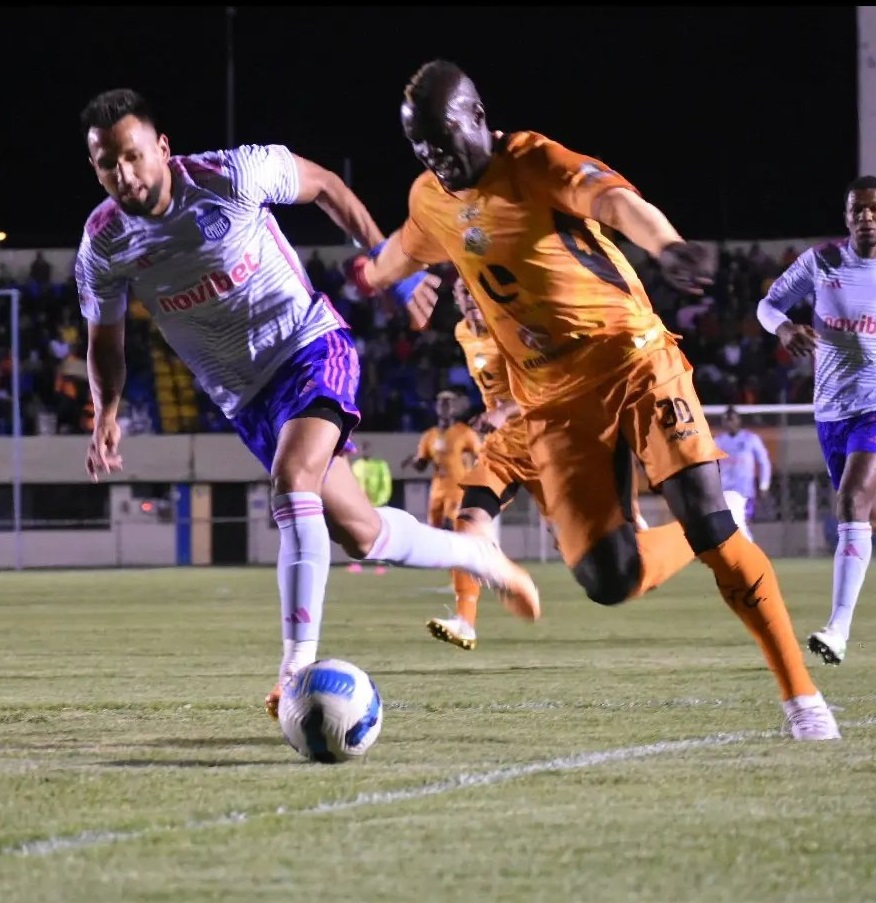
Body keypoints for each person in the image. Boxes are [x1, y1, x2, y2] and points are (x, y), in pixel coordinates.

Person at [348, 59, 839, 739]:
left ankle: (802, 699)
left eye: (440, 134)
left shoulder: (531, 159)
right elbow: (399, 252)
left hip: (631, 358)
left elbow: (610, 201)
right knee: (608, 578)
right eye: (418, 144)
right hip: (550, 402)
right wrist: (372, 278)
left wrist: (663, 244)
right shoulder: (429, 198)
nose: (432, 153)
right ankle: (708, 532)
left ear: (477, 117)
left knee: (709, 527)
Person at [73, 88, 541, 721]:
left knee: (293, 483)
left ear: (162, 148)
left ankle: (295, 669)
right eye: (106, 164)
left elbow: (324, 186)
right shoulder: (103, 241)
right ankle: (478, 555)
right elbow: (106, 338)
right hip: (246, 399)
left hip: (309, 347)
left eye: (131, 156)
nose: (123, 175)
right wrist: (106, 410)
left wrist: (389, 267)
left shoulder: (230, 174)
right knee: (361, 534)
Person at [428, 275, 683, 651]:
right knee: (467, 522)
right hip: (505, 448)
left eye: (473, 291)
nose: (468, 300)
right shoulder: (463, 332)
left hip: (549, 442)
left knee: (603, 562)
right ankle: (465, 620)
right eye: (461, 293)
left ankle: (697, 528)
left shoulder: (515, 326)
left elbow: (553, 382)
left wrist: (506, 411)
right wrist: (496, 418)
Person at [757, 175, 876, 665]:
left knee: (849, 501)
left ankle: (838, 629)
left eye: (874, 209)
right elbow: (767, 305)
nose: (865, 218)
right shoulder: (821, 261)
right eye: (856, 210)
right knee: (866, 514)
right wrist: (785, 328)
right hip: (831, 407)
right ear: (846, 217)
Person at [402, 390, 481, 530]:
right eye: (441, 403)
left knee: (449, 524)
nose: (445, 407)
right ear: (436, 407)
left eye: (449, 403)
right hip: (437, 490)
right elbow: (422, 465)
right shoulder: (429, 436)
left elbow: (482, 455)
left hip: (457, 489)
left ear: (454, 408)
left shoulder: (465, 433)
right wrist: (414, 461)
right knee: (435, 528)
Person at [714, 406, 772, 541]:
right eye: (726, 420)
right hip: (725, 491)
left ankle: (748, 553)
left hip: (745, 491)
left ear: (738, 420)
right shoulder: (719, 441)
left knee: (740, 523)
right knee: (732, 525)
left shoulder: (751, 439)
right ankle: (745, 553)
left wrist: (764, 485)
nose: (729, 423)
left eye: (732, 419)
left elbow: (764, 462)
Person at [348, 441, 392, 574]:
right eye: (363, 449)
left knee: (380, 534)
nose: (365, 452)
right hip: (360, 505)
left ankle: (381, 563)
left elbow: (386, 484)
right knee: (356, 533)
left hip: (378, 505)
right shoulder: (356, 466)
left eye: (367, 449)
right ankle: (356, 563)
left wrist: (382, 500)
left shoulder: (380, 465)